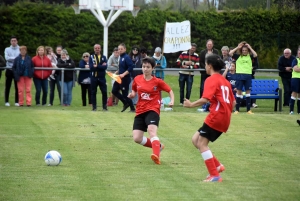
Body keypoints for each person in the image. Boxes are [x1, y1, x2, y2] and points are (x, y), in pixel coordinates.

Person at [183, 54, 236, 182]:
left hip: (216, 116)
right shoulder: (225, 81)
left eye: (206, 64)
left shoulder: (211, 79)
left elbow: (205, 99)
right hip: (224, 117)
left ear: (210, 66)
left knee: (202, 144)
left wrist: (190, 105)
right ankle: (217, 166)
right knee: (196, 140)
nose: (205, 67)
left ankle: (215, 176)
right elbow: (233, 103)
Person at [128, 57, 174, 165]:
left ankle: (156, 156)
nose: (145, 69)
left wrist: (172, 100)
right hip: (140, 110)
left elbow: (170, 90)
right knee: (137, 138)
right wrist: (132, 94)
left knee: (152, 131)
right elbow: (134, 90)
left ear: (153, 68)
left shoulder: (157, 81)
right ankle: (159, 146)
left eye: (148, 67)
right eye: (144, 66)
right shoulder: (137, 79)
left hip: (153, 109)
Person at [229, 41, 257, 114]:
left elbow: (255, 54)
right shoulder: (238, 56)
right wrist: (238, 47)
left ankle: (248, 110)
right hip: (239, 75)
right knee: (239, 92)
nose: (244, 51)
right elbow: (230, 53)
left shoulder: (250, 57)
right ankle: (237, 110)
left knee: (247, 92)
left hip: (248, 75)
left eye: (246, 50)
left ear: (248, 51)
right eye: (243, 50)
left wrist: (250, 47)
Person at [112, 43, 135, 112]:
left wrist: (124, 74)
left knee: (125, 94)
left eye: (121, 49)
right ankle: (125, 103)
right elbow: (123, 67)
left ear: (125, 49)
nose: (120, 50)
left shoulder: (126, 57)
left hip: (125, 78)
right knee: (114, 90)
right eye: (119, 49)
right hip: (119, 77)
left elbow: (131, 67)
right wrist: (117, 72)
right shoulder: (121, 57)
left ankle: (132, 108)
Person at [89, 44, 108, 111]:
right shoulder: (91, 57)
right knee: (93, 92)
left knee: (104, 92)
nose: (97, 49)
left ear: (100, 49)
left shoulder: (104, 57)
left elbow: (105, 67)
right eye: (96, 48)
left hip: (102, 77)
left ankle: (104, 107)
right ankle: (94, 107)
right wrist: (100, 66)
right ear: (94, 49)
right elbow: (91, 67)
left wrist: (97, 66)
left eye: (98, 48)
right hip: (94, 77)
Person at [4, 36, 20, 106]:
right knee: (8, 86)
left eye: (15, 40)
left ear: (17, 41)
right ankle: (6, 101)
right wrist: (15, 59)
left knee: (17, 86)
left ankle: (17, 101)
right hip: (9, 69)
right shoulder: (7, 49)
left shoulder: (20, 49)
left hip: (17, 70)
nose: (13, 42)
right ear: (10, 42)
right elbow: (7, 58)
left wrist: (12, 58)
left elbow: (19, 59)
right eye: (12, 41)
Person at [289, 48, 300, 114]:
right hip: (295, 79)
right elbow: (296, 69)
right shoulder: (295, 60)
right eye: (299, 51)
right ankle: (291, 111)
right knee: (294, 93)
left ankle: (299, 111)